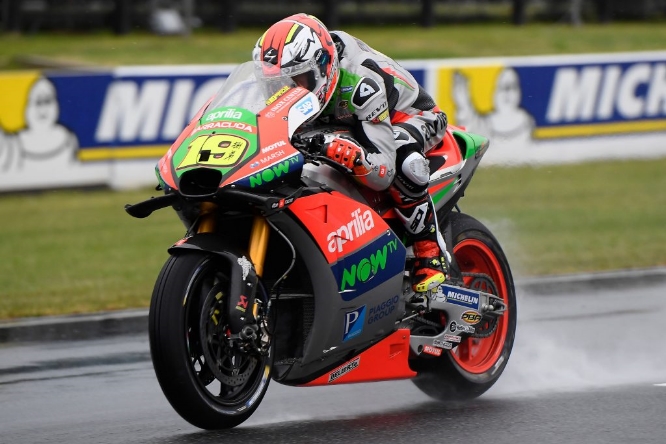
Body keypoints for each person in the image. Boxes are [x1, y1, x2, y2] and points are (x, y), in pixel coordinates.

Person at [253, 13, 448, 293]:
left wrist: (347, 154)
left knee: (404, 158)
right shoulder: (296, 79)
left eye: (298, 80)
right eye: (279, 84)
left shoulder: (360, 82)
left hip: (409, 119)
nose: (289, 90)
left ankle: (429, 250)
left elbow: (383, 171)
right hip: (348, 123)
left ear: (323, 66)